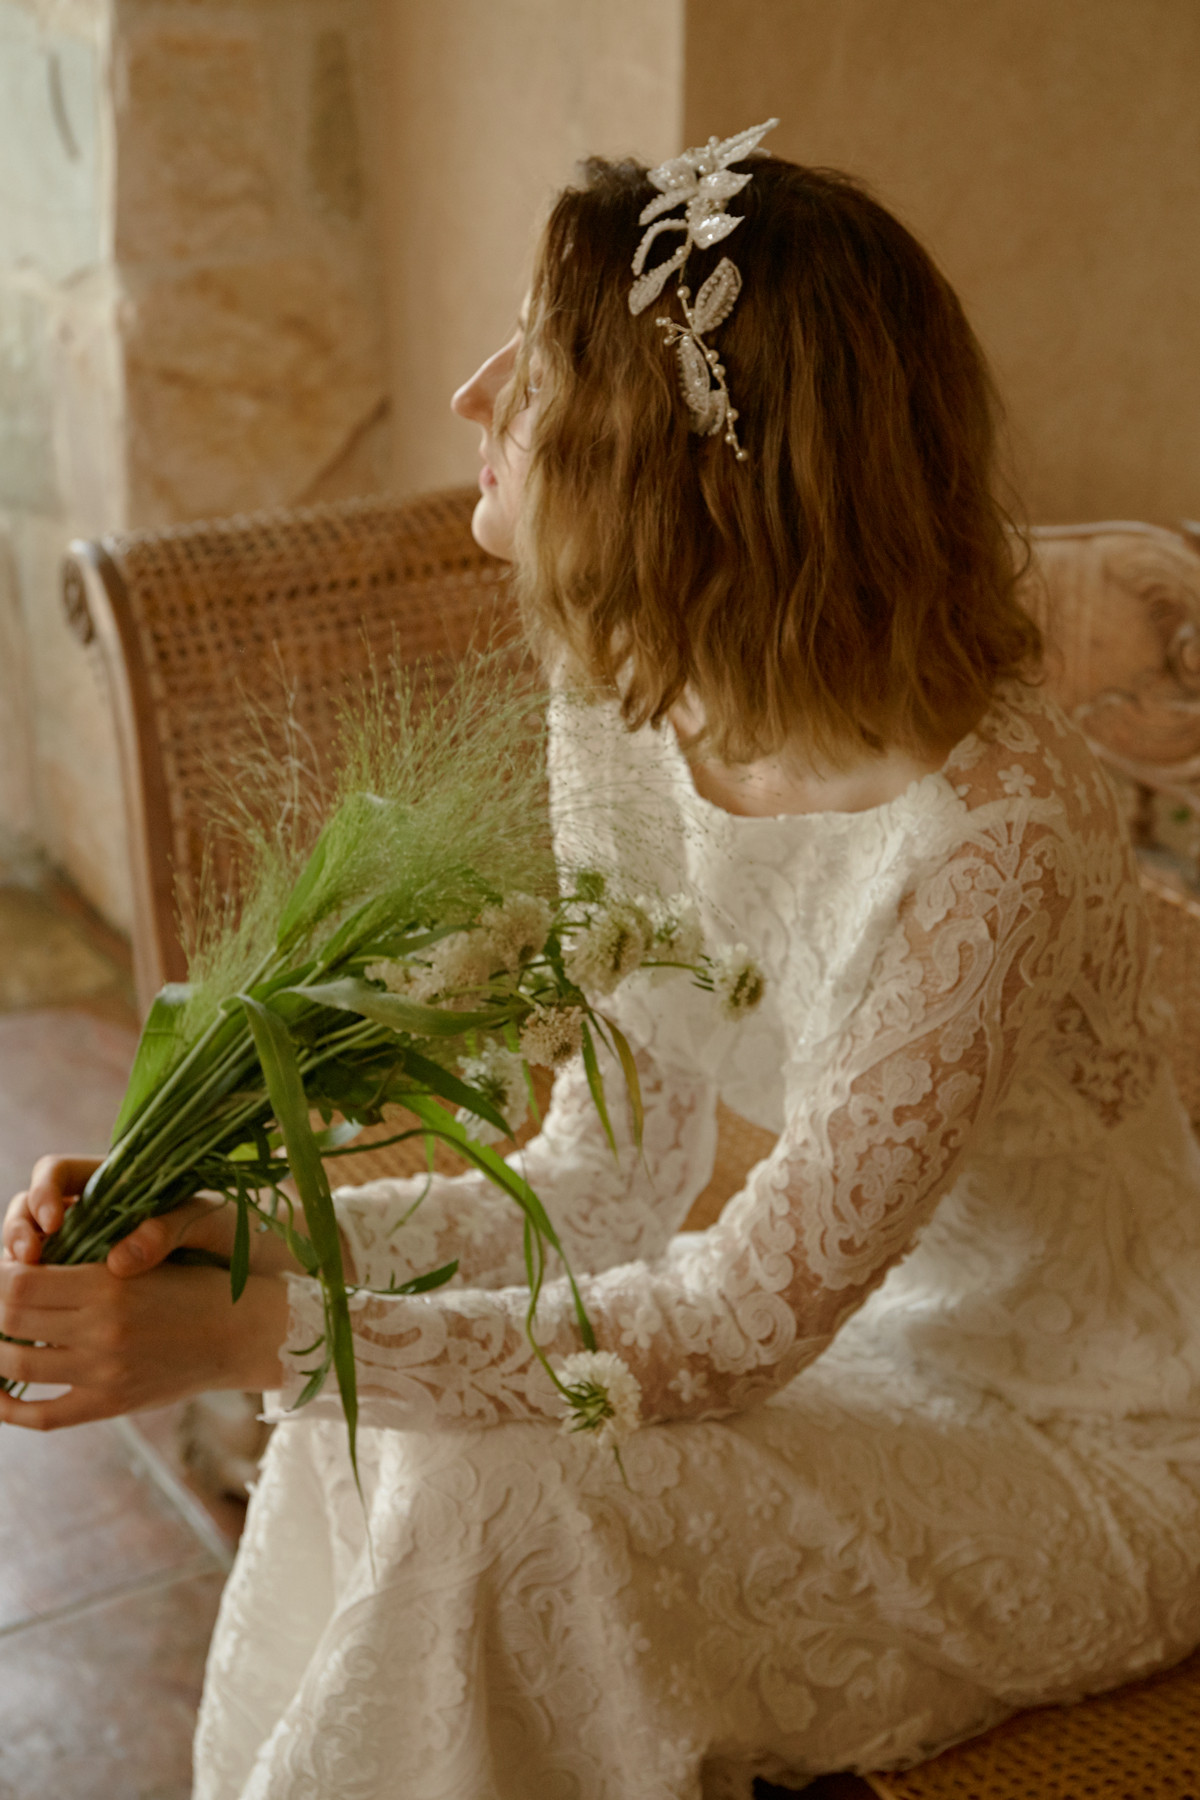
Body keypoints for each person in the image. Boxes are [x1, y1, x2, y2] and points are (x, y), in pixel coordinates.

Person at [5, 124, 1200, 1800]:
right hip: (865, 1350)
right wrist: (242, 1240)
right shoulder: (633, 708)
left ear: (676, 467)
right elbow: (599, 1188)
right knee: (405, 1421)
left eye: (540, 364)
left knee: (467, 1474)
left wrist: (247, 1338)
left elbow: (731, 1325)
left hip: (1090, 1439)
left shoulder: (984, 836)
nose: (474, 394)